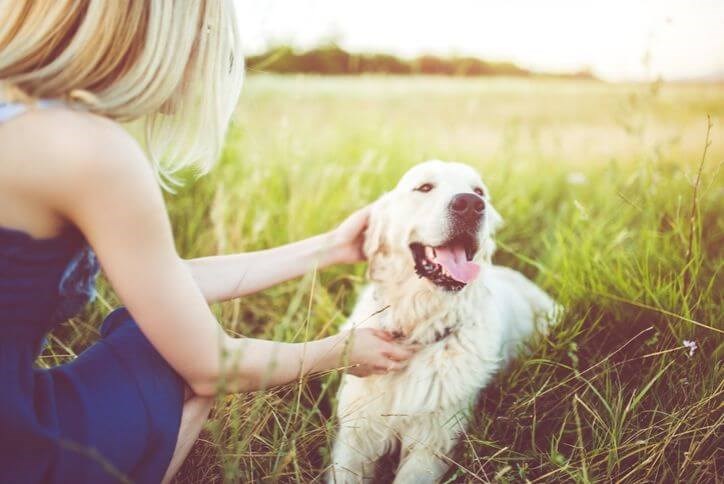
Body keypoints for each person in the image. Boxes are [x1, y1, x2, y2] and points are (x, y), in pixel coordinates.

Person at [0, 1, 416, 482]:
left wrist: (330, 247)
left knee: (162, 329)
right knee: (168, 360)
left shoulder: (20, 117)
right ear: (159, 32)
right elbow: (209, 366)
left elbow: (169, 284)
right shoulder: (88, 150)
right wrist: (338, 351)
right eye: (206, 33)